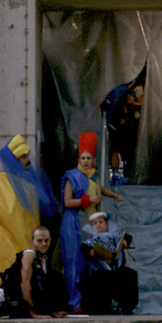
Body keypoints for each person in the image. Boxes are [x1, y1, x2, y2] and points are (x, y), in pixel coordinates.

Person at [0, 134, 59, 294]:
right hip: (10, 241)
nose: (27, 160)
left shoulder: (30, 183)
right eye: (23, 157)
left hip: (27, 239)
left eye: (27, 156)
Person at [60, 131, 124, 312]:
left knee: (93, 264)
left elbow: (102, 190)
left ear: (93, 160)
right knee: (75, 263)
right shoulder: (71, 177)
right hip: (75, 224)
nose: (86, 161)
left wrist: (115, 195)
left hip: (90, 226)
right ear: (78, 159)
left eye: (89, 158)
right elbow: (67, 202)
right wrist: (88, 200)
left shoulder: (94, 176)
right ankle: (75, 303)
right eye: (83, 158)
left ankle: (91, 301)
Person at [0, 226, 68, 318]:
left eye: (46, 240)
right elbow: (25, 284)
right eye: (39, 241)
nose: (44, 244)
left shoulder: (46, 260)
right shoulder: (29, 255)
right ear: (32, 242)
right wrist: (33, 313)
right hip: (12, 301)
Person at [78, 212, 138, 315]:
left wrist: (125, 242)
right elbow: (84, 250)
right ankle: (105, 308)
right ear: (92, 226)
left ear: (106, 224)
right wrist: (90, 252)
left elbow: (128, 237)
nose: (98, 225)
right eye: (95, 223)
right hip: (101, 272)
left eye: (101, 222)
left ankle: (127, 307)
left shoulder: (116, 236)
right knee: (97, 280)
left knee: (130, 274)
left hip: (117, 269)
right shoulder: (89, 242)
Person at [101, 72, 144, 183]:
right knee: (126, 151)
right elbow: (142, 104)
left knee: (115, 150)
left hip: (115, 124)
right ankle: (125, 172)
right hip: (127, 126)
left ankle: (116, 172)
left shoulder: (113, 87)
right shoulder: (135, 89)